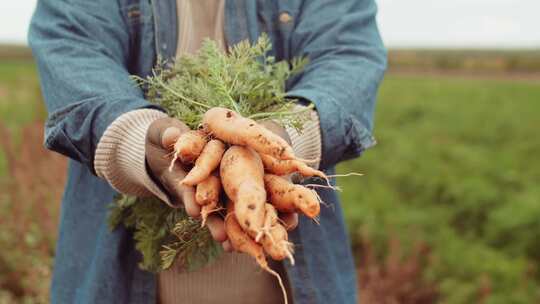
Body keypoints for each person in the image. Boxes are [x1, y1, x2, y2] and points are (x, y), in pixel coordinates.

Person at [28, 0, 386, 303]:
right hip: (116, 283)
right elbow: (73, 52)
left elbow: (348, 57)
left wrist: (282, 140)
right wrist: (145, 142)